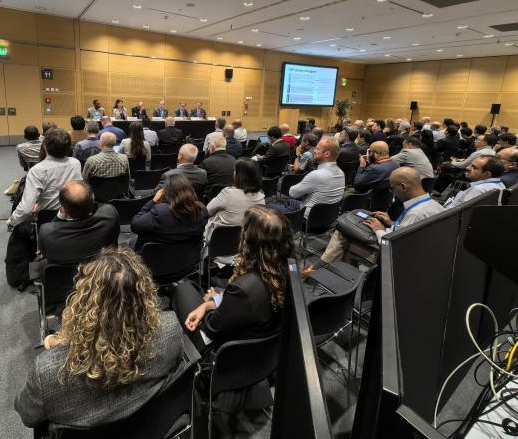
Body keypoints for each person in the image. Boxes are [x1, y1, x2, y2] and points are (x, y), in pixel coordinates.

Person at [15, 248, 183, 429]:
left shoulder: (47, 371)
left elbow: (28, 416)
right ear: (145, 293)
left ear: (82, 302)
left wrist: (59, 342)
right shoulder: (171, 329)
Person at [173, 206, 292, 351]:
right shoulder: (289, 269)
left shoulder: (246, 287)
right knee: (196, 289)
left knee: (182, 289)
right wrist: (210, 303)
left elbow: (211, 328)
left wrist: (210, 303)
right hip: (262, 341)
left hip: (225, 350)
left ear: (250, 241)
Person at [311, 167, 444, 266]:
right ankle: (336, 270)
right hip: (423, 253)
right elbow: (409, 232)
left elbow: (395, 247)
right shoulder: (434, 205)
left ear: (403, 187)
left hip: (396, 258)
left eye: (392, 189)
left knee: (344, 231)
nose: (393, 193)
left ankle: (322, 267)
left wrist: (379, 229)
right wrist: (391, 223)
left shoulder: (416, 213)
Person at [5, 128, 83, 288]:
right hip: (74, 215)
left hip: (48, 222)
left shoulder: (37, 170)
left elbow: (26, 208)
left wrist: (12, 221)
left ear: (45, 147)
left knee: (19, 230)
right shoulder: (76, 163)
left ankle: (24, 273)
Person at [38, 181, 120, 266]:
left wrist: (59, 216)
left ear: (65, 211)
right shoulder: (110, 216)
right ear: (93, 197)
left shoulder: (46, 233)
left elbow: (45, 255)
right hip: (103, 272)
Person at [130, 172, 208, 251]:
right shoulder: (202, 210)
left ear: (166, 193)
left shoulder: (160, 212)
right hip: (188, 259)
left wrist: (153, 201)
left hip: (156, 259)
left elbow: (135, 225)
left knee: (132, 242)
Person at [203, 158, 265, 244]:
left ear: (240, 175)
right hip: (247, 243)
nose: (233, 173)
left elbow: (208, 210)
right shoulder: (262, 197)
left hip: (221, 243)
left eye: (235, 171)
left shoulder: (227, 193)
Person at [287, 137, 344, 217]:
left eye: (317, 149)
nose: (314, 151)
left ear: (327, 154)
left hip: (307, 218)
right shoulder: (341, 173)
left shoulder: (316, 175)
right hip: (328, 217)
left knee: (278, 204)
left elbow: (292, 193)